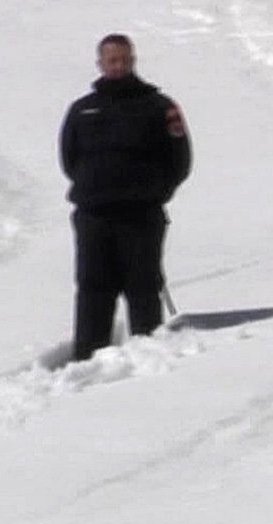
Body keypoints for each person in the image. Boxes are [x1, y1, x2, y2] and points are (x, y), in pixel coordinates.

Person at [59, 34, 191, 362]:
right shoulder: (82, 110)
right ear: (100, 64)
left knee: (142, 287)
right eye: (111, 60)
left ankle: (145, 360)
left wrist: (153, 193)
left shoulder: (159, 107)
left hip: (141, 215)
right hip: (94, 216)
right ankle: (87, 361)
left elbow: (179, 160)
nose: (118, 66)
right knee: (93, 290)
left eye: (124, 59)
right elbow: (69, 159)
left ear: (133, 61)